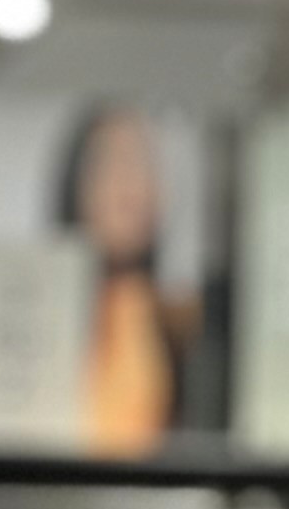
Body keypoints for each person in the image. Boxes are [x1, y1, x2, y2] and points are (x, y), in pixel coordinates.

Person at [59, 101, 196, 454]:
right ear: (76, 180)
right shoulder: (48, 317)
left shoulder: (182, 322)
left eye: (143, 163)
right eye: (112, 162)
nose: (130, 184)